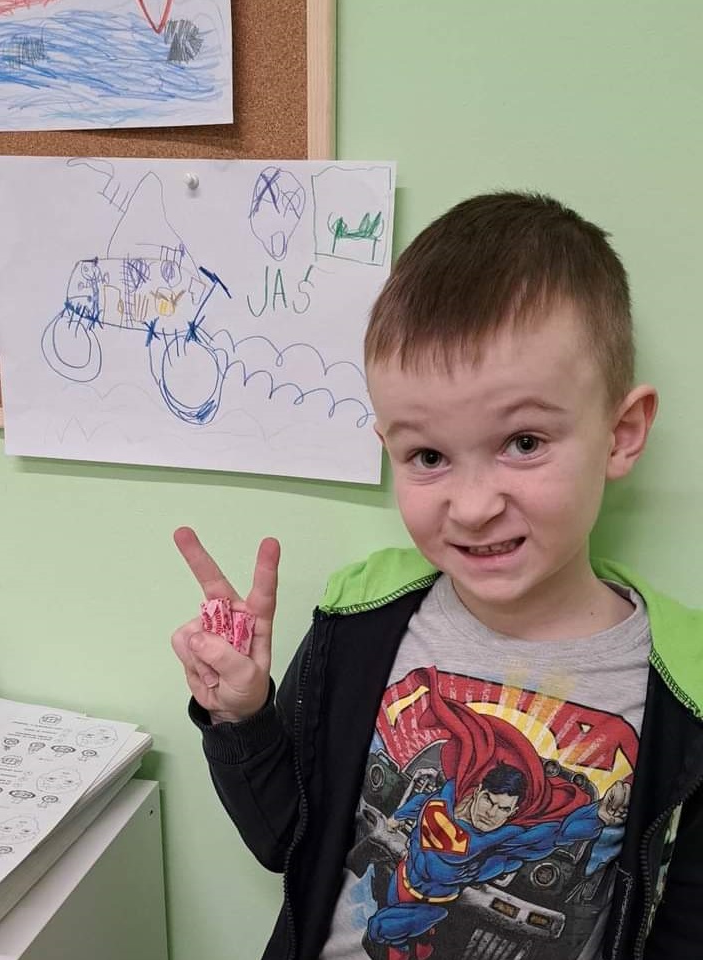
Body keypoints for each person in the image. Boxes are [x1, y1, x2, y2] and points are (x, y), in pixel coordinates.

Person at [171, 192, 703, 960]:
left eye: (524, 442)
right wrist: (240, 716)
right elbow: (285, 840)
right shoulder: (360, 623)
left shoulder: (685, 691)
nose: (474, 506)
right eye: (428, 456)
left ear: (620, 434)